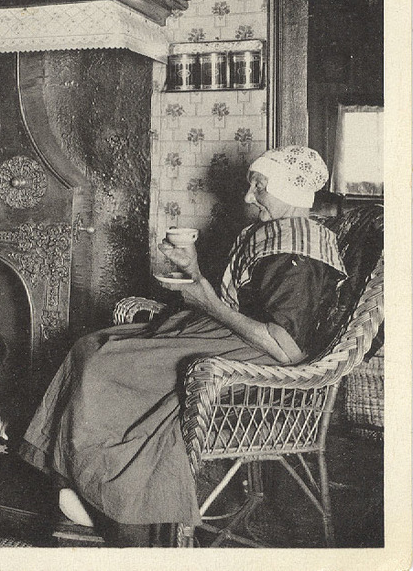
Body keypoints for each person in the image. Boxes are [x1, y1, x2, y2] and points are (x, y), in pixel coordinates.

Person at [20, 146, 347, 546]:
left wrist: (206, 301)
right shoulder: (278, 232)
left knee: (106, 364)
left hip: (255, 359)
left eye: (259, 187)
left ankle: (120, 512)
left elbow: (286, 347)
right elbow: (240, 301)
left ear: (288, 190)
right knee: (91, 345)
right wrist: (193, 272)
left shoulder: (298, 252)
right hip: (229, 335)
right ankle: (79, 482)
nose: (248, 197)